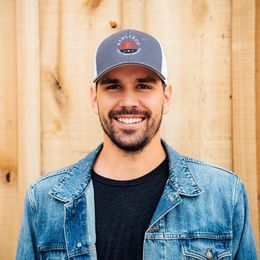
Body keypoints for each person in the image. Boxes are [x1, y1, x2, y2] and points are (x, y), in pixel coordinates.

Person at [16, 29, 257, 260]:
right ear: (93, 98)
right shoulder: (45, 202)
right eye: (113, 86)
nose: (129, 101)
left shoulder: (224, 194)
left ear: (166, 97)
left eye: (143, 86)